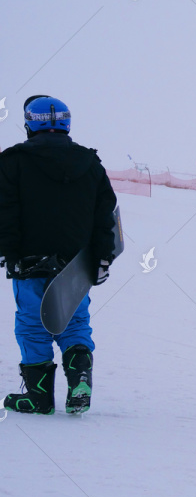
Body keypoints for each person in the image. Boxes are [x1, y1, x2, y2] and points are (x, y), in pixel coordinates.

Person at [0, 95, 117, 415]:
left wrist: (7, 253)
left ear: (29, 124)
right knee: (75, 321)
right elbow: (105, 215)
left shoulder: (12, 161)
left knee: (32, 323)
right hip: (75, 265)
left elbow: (5, 212)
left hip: (29, 262)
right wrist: (102, 257)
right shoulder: (90, 163)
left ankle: (38, 396)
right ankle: (80, 382)